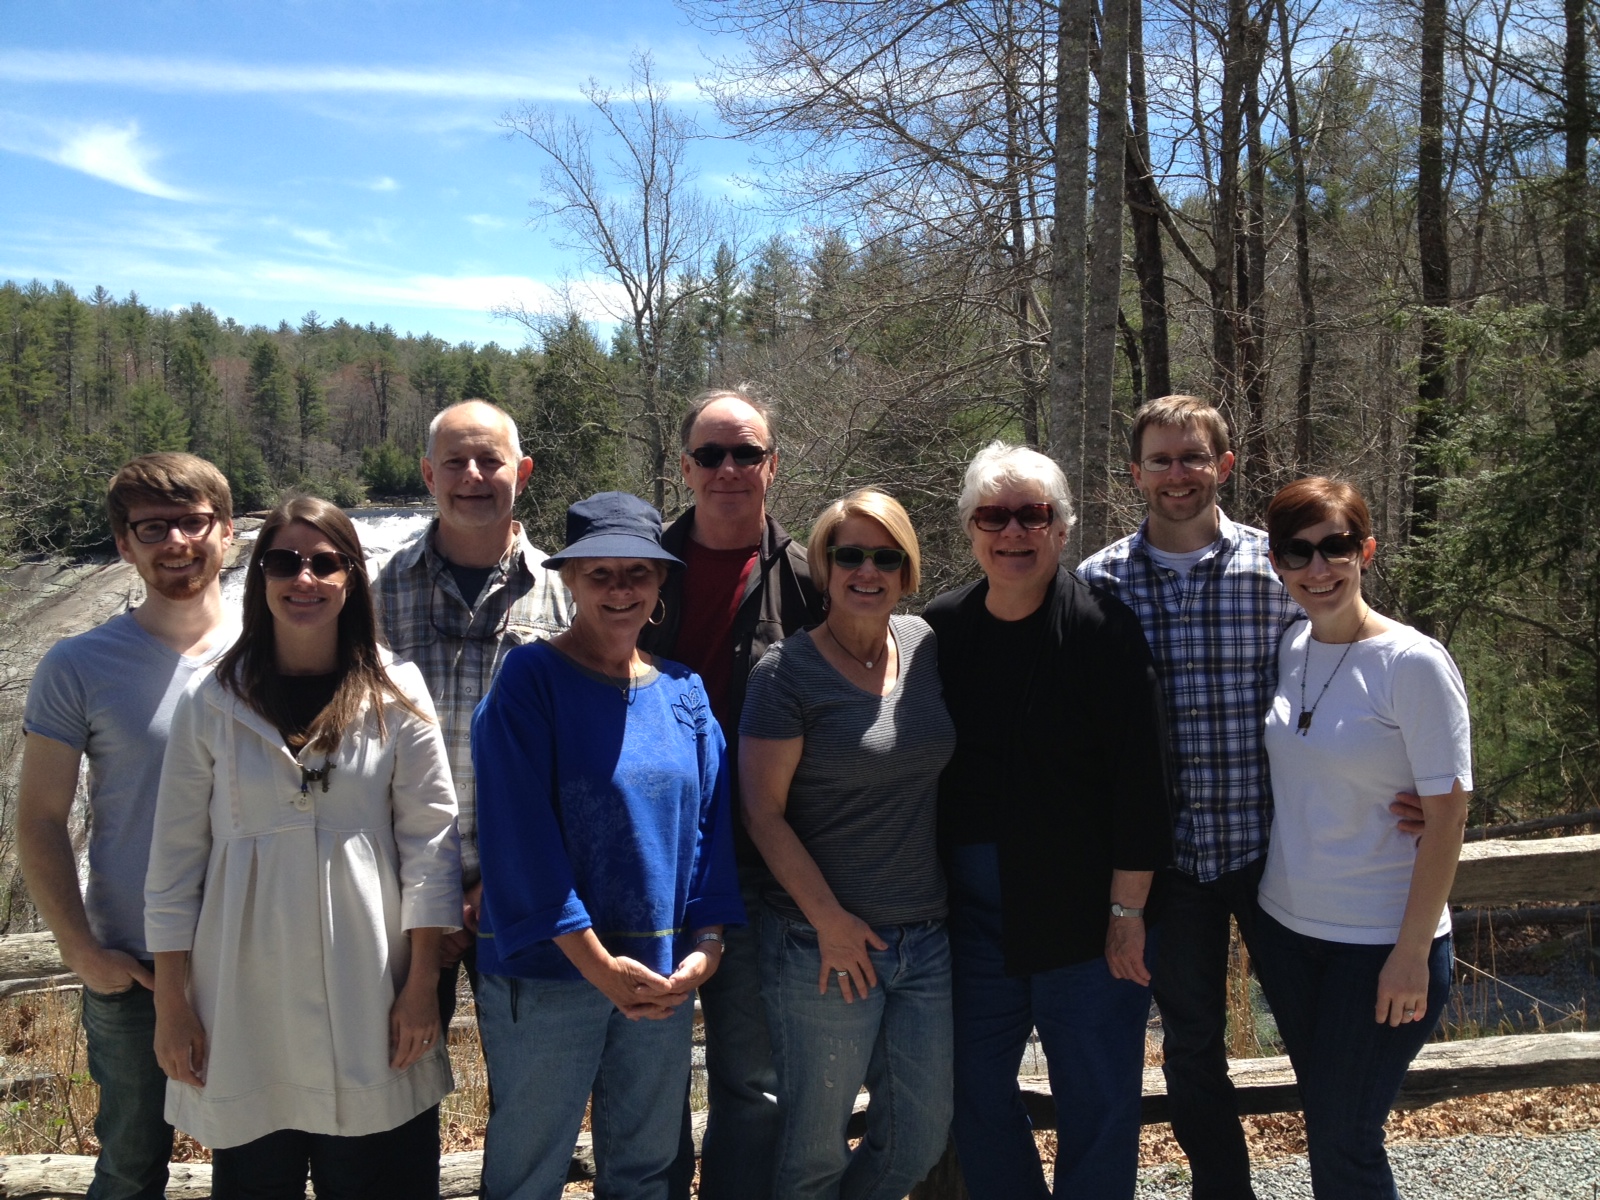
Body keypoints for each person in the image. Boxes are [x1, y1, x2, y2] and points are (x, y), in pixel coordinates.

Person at [144, 496, 462, 1199]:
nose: (304, 579)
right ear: (259, 575)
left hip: (369, 983)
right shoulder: (211, 699)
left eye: (325, 562)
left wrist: (420, 989)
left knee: (373, 1176)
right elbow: (174, 859)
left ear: (353, 576)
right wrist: (172, 1000)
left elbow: (430, 844)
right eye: (284, 562)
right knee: (255, 1178)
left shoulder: (397, 693)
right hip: (242, 990)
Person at [470, 491, 744, 1200]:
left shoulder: (684, 691)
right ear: (569, 579)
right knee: (529, 1172)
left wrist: (707, 945)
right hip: (550, 973)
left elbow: (711, 830)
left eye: (637, 572)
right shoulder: (531, 680)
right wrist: (596, 964)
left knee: (647, 1170)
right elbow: (518, 833)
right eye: (600, 573)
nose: (620, 589)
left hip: (658, 975)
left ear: (661, 581)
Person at [924, 443, 1172, 1199]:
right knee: (968, 1090)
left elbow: (1143, 784)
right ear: (970, 529)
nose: (1013, 532)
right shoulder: (939, 632)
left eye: (1032, 515)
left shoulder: (1103, 629)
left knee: (1098, 1101)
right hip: (972, 918)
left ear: (1062, 528)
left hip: (1085, 917)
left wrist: (1127, 912)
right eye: (993, 516)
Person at [18, 452, 236, 1200]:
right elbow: (40, 818)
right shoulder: (78, 665)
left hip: (255, 954)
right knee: (129, 1166)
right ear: (123, 545)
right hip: (133, 962)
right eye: (152, 527)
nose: (176, 541)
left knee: (261, 1161)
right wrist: (83, 953)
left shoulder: (275, 648)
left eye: (193, 522)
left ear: (228, 532)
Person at [1249, 477, 1470, 1198]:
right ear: (1277, 563)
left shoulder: (1414, 663)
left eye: (1336, 547)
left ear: (1366, 552)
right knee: (1328, 1125)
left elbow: (1450, 814)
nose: (1318, 568)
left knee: (1347, 1138)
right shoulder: (1292, 647)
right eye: (1297, 552)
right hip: (1287, 934)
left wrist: (1411, 954)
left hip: (1380, 945)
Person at [740, 488, 956, 1200]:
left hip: (923, 939)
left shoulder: (924, 646)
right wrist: (829, 922)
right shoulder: (785, 673)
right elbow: (762, 813)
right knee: (815, 1152)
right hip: (819, 946)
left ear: (907, 569)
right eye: (850, 555)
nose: (868, 571)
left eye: (886, 557)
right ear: (825, 568)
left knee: (920, 1134)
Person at [640, 388, 824, 1200]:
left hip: (758, 864)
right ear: (685, 468)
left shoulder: (814, 577)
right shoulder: (638, 567)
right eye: (710, 454)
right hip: (645, 861)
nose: (728, 469)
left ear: (772, 466)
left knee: (752, 1081)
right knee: (645, 1080)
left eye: (746, 453)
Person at [373, 399, 570, 1024]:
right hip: (398, 888)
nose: (473, 477)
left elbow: (578, 753)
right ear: (429, 475)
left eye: (491, 460)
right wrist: (427, 896)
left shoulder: (568, 594)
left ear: (523, 472)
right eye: (455, 462)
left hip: (526, 884)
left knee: (529, 1073)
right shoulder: (377, 592)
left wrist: (502, 877)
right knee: (399, 1069)